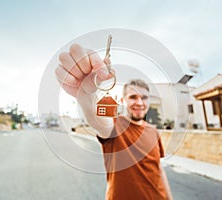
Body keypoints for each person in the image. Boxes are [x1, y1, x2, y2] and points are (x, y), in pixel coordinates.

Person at [55, 43, 173, 200]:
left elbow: (159, 168)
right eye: (133, 97)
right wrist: (86, 96)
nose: (139, 102)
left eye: (143, 97)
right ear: (124, 100)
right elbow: (99, 122)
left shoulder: (153, 131)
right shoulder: (115, 125)